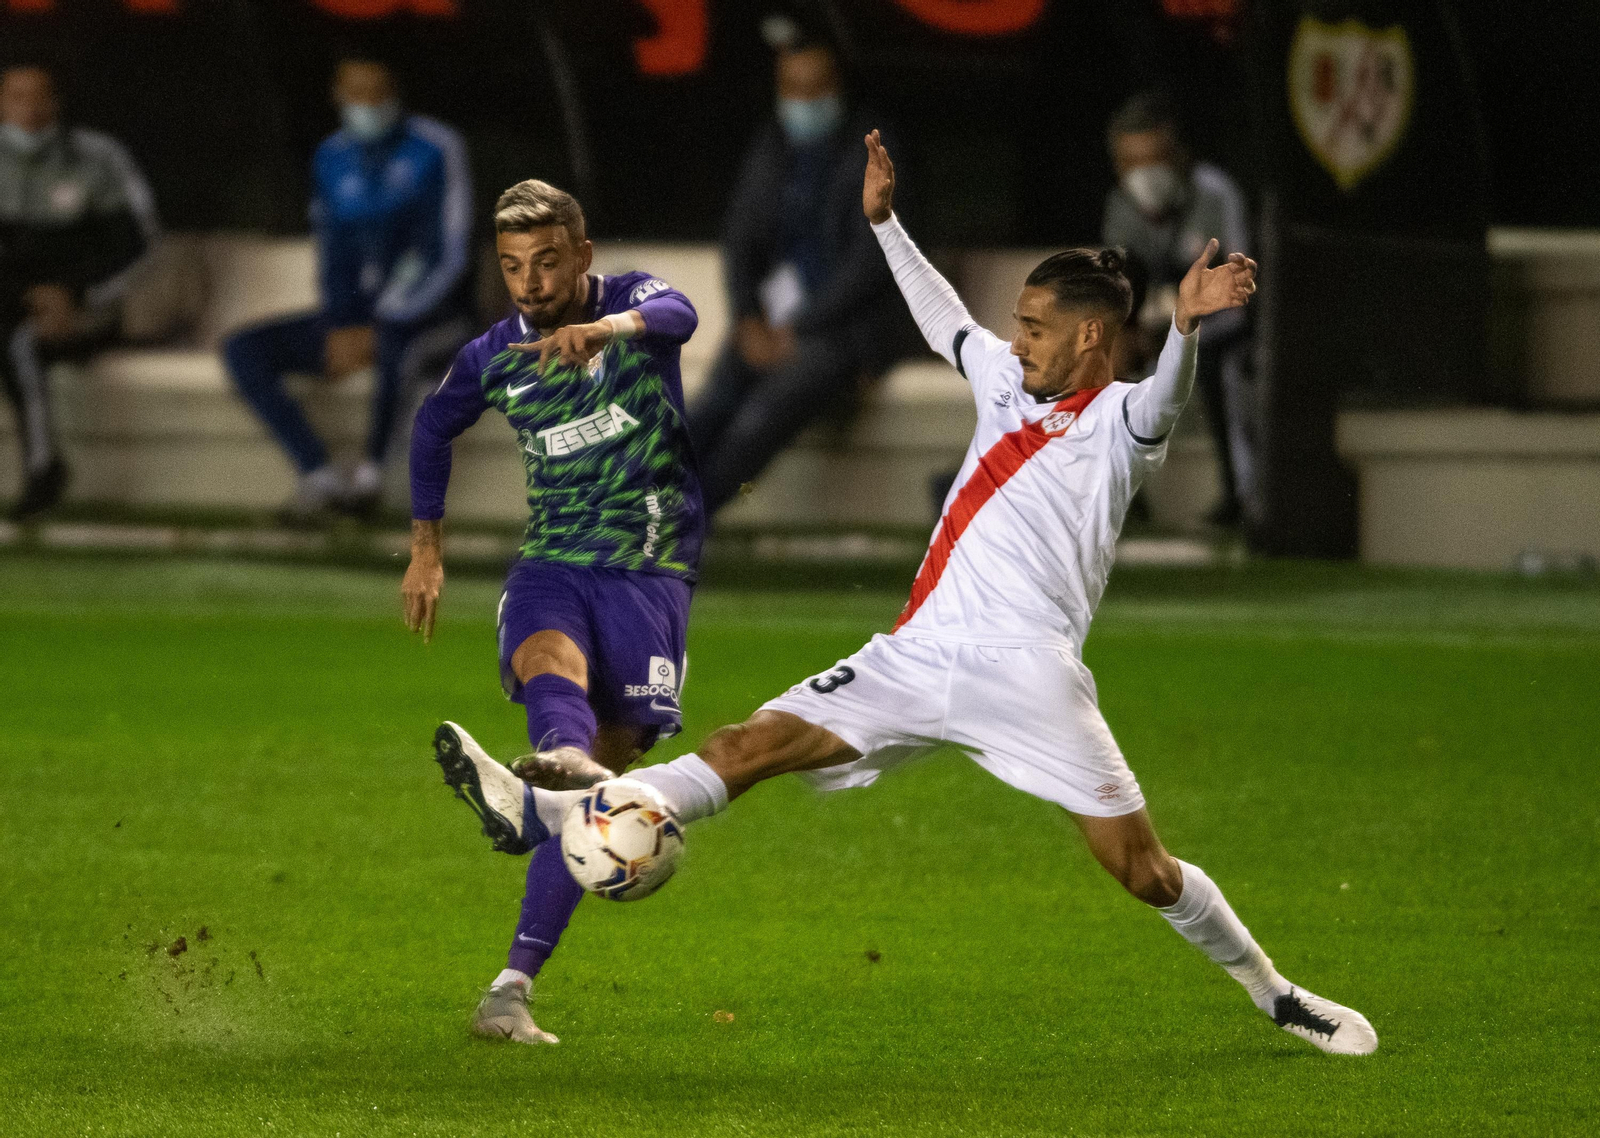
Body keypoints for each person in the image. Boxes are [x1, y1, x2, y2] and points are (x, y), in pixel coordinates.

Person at [462, 132, 1379, 1057]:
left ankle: (1276, 993)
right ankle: (553, 811)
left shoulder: (1120, 422)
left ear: (1091, 336)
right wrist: (885, 223)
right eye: (1016, 325)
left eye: (1033, 327)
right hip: (916, 652)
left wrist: (1185, 328)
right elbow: (941, 315)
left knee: (1141, 871)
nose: (1014, 341)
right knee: (748, 745)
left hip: (1029, 679)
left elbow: (1168, 399)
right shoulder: (1002, 380)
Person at [406, 178, 702, 1044]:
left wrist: (604, 330)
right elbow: (431, 429)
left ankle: (509, 986)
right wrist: (427, 547)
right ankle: (556, 764)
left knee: (601, 795)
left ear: (582, 255)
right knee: (547, 661)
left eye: (545, 263)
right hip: (556, 559)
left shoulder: (634, 303)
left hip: (651, 566)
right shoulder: (494, 354)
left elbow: (682, 314)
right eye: (511, 267)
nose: (529, 283)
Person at [223, 57, 474, 523]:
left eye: (377, 92)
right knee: (243, 349)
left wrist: (384, 322)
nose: (368, 105)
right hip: (357, 317)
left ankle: (370, 483)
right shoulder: (331, 156)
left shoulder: (436, 148)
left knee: (402, 350)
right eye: (356, 94)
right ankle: (318, 475)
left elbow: (450, 251)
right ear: (338, 97)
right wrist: (342, 323)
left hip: (436, 316)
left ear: (395, 93)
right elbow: (332, 252)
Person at [687, 26, 905, 514]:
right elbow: (741, 238)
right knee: (706, 412)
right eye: (792, 90)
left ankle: (676, 529)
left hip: (842, 332)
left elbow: (873, 264)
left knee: (753, 425)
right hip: (770, 320)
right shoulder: (775, 144)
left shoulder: (874, 148)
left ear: (836, 88)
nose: (802, 103)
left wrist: (799, 327)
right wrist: (747, 316)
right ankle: (620, 521)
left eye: (814, 90)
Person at [0, 63, 158, 520]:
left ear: (56, 102)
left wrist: (78, 294)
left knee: (20, 341)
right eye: (15, 97)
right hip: (12, 302)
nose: (28, 110)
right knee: (12, 333)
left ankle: (43, 467)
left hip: (90, 307)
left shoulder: (97, 157)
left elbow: (140, 243)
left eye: (38, 97)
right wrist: (27, 295)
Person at [1103, 91, 1253, 527]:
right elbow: (1120, 285)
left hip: (1220, 336)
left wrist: (1175, 330)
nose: (1142, 175)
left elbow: (1242, 293)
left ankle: (1242, 501)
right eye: (1129, 163)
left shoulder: (1216, 195)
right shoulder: (1120, 205)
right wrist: (1127, 335)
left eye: (1153, 160)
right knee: (1103, 360)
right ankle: (1121, 499)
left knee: (1223, 370)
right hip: (1159, 333)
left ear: (1179, 155)